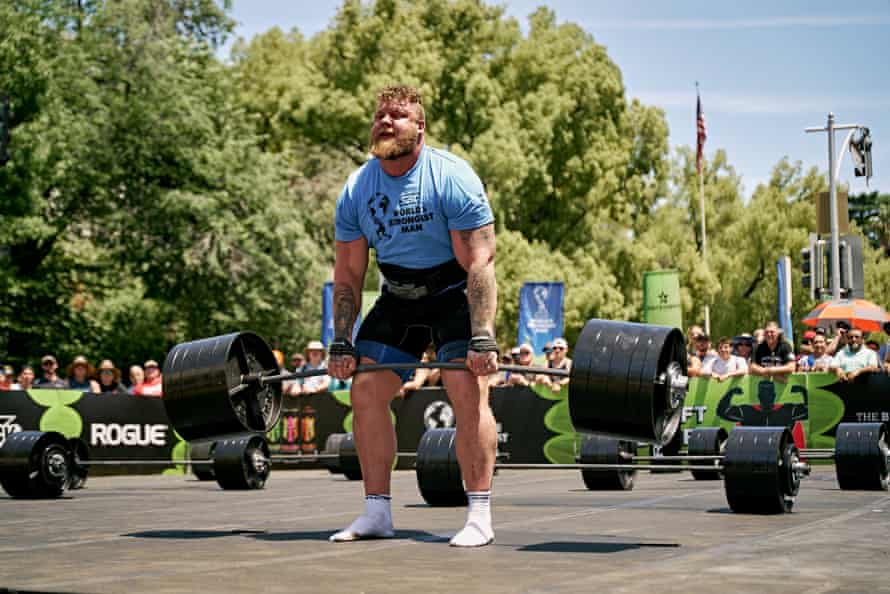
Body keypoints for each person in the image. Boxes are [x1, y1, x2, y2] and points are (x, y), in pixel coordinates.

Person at [326, 85, 497, 547]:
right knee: (365, 388)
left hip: (452, 292)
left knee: (465, 387)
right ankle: (376, 512)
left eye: (397, 115)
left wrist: (482, 335)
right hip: (398, 297)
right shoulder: (357, 188)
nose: (384, 121)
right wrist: (341, 340)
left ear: (420, 127)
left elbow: (479, 263)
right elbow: (349, 273)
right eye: (379, 115)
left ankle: (479, 515)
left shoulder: (452, 177)